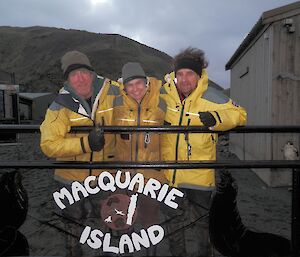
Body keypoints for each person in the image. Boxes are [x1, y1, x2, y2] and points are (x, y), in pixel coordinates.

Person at [160, 47, 247, 256]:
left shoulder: (211, 96)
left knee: (202, 229)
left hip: (200, 177)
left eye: (190, 73)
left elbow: (240, 114)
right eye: (180, 74)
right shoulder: (165, 95)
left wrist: (217, 120)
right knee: (172, 227)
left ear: (199, 75)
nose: (184, 79)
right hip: (169, 177)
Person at [40, 50, 120, 256]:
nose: (81, 78)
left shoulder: (114, 92)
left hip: (106, 179)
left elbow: (141, 94)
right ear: (67, 80)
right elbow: (48, 144)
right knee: (73, 234)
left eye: (84, 72)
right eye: (74, 74)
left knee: (113, 230)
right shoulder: (59, 106)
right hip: (70, 180)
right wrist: (85, 143)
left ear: (93, 74)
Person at [112, 62, 167, 239]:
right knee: (122, 221)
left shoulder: (162, 102)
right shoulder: (116, 104)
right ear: (124, 87)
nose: (135, 89)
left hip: (152, 177)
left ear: (146, 83)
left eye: (139, 83)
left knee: (149, 223)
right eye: (130, 85)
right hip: (124, 177)